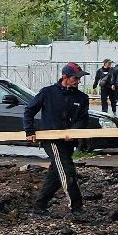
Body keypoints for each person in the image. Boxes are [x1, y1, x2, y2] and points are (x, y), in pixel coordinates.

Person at [23, 62, 93, 216]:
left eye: (79, 78)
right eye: (75, 78)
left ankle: (39, 206)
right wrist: (29, 130)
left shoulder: (82, 98)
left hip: (69, 142)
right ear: (65, 77)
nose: (78, 81)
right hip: (52, 140)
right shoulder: (48, 92)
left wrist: (73, 132)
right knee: (67, 171)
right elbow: (29, 110)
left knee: (56, 173)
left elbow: (83, 119)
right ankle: (77, 209)